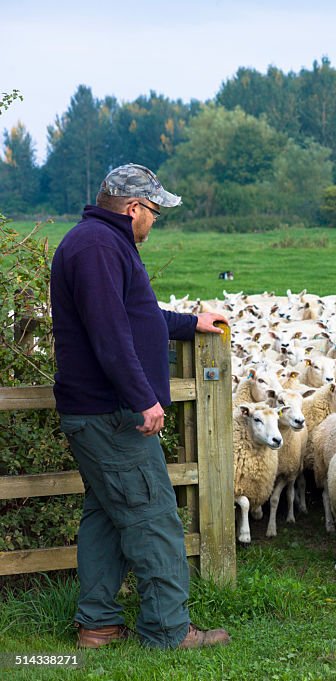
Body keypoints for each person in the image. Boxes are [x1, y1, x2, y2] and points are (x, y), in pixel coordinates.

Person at [50, 163, 232, 650]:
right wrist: (142, 398)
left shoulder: (103, 244)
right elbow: (108, 334)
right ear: (134, 209)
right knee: (154, 519)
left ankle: (99, 624)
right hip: (112, 414)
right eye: (154, 211)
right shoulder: (97, 248)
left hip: (97, 410)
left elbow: (135, 316)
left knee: (107, 517)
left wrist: (189, 322)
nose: (154, 220)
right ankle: (168, 630)